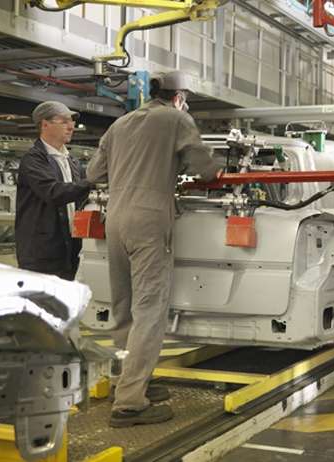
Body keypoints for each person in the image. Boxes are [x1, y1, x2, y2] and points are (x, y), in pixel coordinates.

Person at [86, 71, 221, 428]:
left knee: (124, 306)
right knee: (150, 308)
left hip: (115, 217)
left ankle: (128, 380)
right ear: (179, 96)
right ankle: (130, 403)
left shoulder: (121, 123)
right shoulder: (177, 118)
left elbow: (92, 173)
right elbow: (205, 169)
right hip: (149, 220)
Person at [15, 101, 91, 280]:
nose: (71, 126)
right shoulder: (34, 159)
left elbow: (80, 199)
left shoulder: (71, 161)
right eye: (64, 121)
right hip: (42, 253)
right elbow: (53, 192)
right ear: (45, 124)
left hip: (70, 250)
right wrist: (91, 182)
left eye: (71, 121)